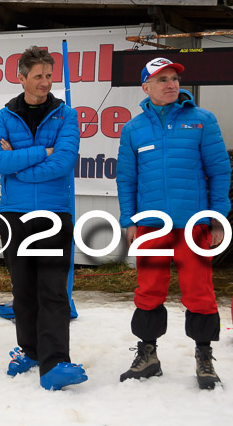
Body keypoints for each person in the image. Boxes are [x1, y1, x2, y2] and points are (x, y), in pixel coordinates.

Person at [116, 58, 230, 390]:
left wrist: (218, 217)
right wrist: (129, 220)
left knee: (199, 292)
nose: (171, 84)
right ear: (146, 88)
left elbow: (219, 172)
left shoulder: (202, 121)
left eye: (174, 79)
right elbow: (126, 180)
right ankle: (148, 355)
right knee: (149, 290)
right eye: (162, 79)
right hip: (151, 226)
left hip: (193, 225)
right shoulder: (134, 129)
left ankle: (204, 357)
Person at [0, 46, 86, 390]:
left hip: (53, 213)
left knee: (53, 290)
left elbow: (63, 162)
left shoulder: (66, 115)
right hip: (14, 215)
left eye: (49, 74)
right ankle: (29, 351)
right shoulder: (3, 116)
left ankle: (56, 361)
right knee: (23, 291)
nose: (45, 82)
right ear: (22, 78)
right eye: (38, 75)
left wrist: (21, 166)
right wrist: (40, 152)